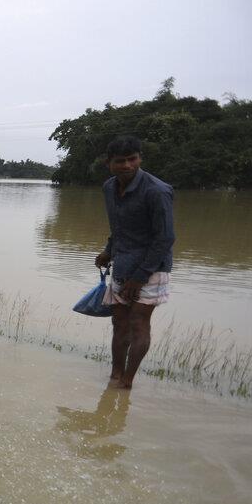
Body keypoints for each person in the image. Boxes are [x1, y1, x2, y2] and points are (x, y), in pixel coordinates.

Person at [94, 135, 175, 389]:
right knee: (119, 323)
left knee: (139, 324)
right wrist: (108, 250)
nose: (127, 165)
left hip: (151, 268)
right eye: (121, 161)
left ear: (140, 158)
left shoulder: (157, 191)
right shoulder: (109, 187)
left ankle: (127, 382)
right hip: (123, 263)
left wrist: (140, 277)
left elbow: (165, 238)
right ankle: (115, 376)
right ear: (109, 163)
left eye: (133, 159)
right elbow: (117, 226)